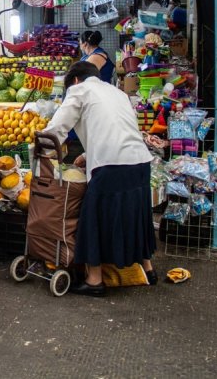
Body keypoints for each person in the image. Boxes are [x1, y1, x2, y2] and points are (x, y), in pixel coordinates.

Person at [41, 61, 156, 297]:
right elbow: (119, 129)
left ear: (74, 80)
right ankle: (148, 269)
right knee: (136, 214)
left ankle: (94, 280)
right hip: (140, 162)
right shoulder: (117, 92)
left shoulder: (79, 90)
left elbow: (57, 128)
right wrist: (86, 155)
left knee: (92, 217)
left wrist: (40, 148)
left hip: (112, 163)